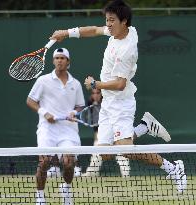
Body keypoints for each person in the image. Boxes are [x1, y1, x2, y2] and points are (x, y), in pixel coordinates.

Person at [50, 0, 187, 193]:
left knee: (125, 149)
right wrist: (67, 33)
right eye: (107, 20)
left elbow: (121, 84)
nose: (108, 24)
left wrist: (95, 84)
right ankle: (144, 126)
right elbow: (95, 30)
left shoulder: (126, 50)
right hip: (108, 102)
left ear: (124, 22)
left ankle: (173, 168)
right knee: (104, 153)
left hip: (121, 101)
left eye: (112, 20)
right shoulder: (118, 30)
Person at [26, 47, 85, 205]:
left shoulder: (76, 84)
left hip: (68, 130)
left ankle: (66, 188)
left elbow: (80, 106)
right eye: (57, 58)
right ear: (53, 61)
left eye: (63, 58)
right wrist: (44, 113)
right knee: (44, 161)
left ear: (68, 62)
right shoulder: (43, 81)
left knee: (68, 163)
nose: (59, 60)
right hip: (47, 129)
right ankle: (40, 195)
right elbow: (30, 101)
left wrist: (74, 112)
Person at [83, 88, 131, 177]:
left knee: (122, 154)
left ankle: (126, 175)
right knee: (96, 153)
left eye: (98, 93)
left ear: (102, 94)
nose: (96, 95)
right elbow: (95, 123)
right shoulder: (90, 104)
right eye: (94, 93)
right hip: (102, 134)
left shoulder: (109, 103)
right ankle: (91, 173)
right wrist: (97, 135)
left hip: (116, 132)